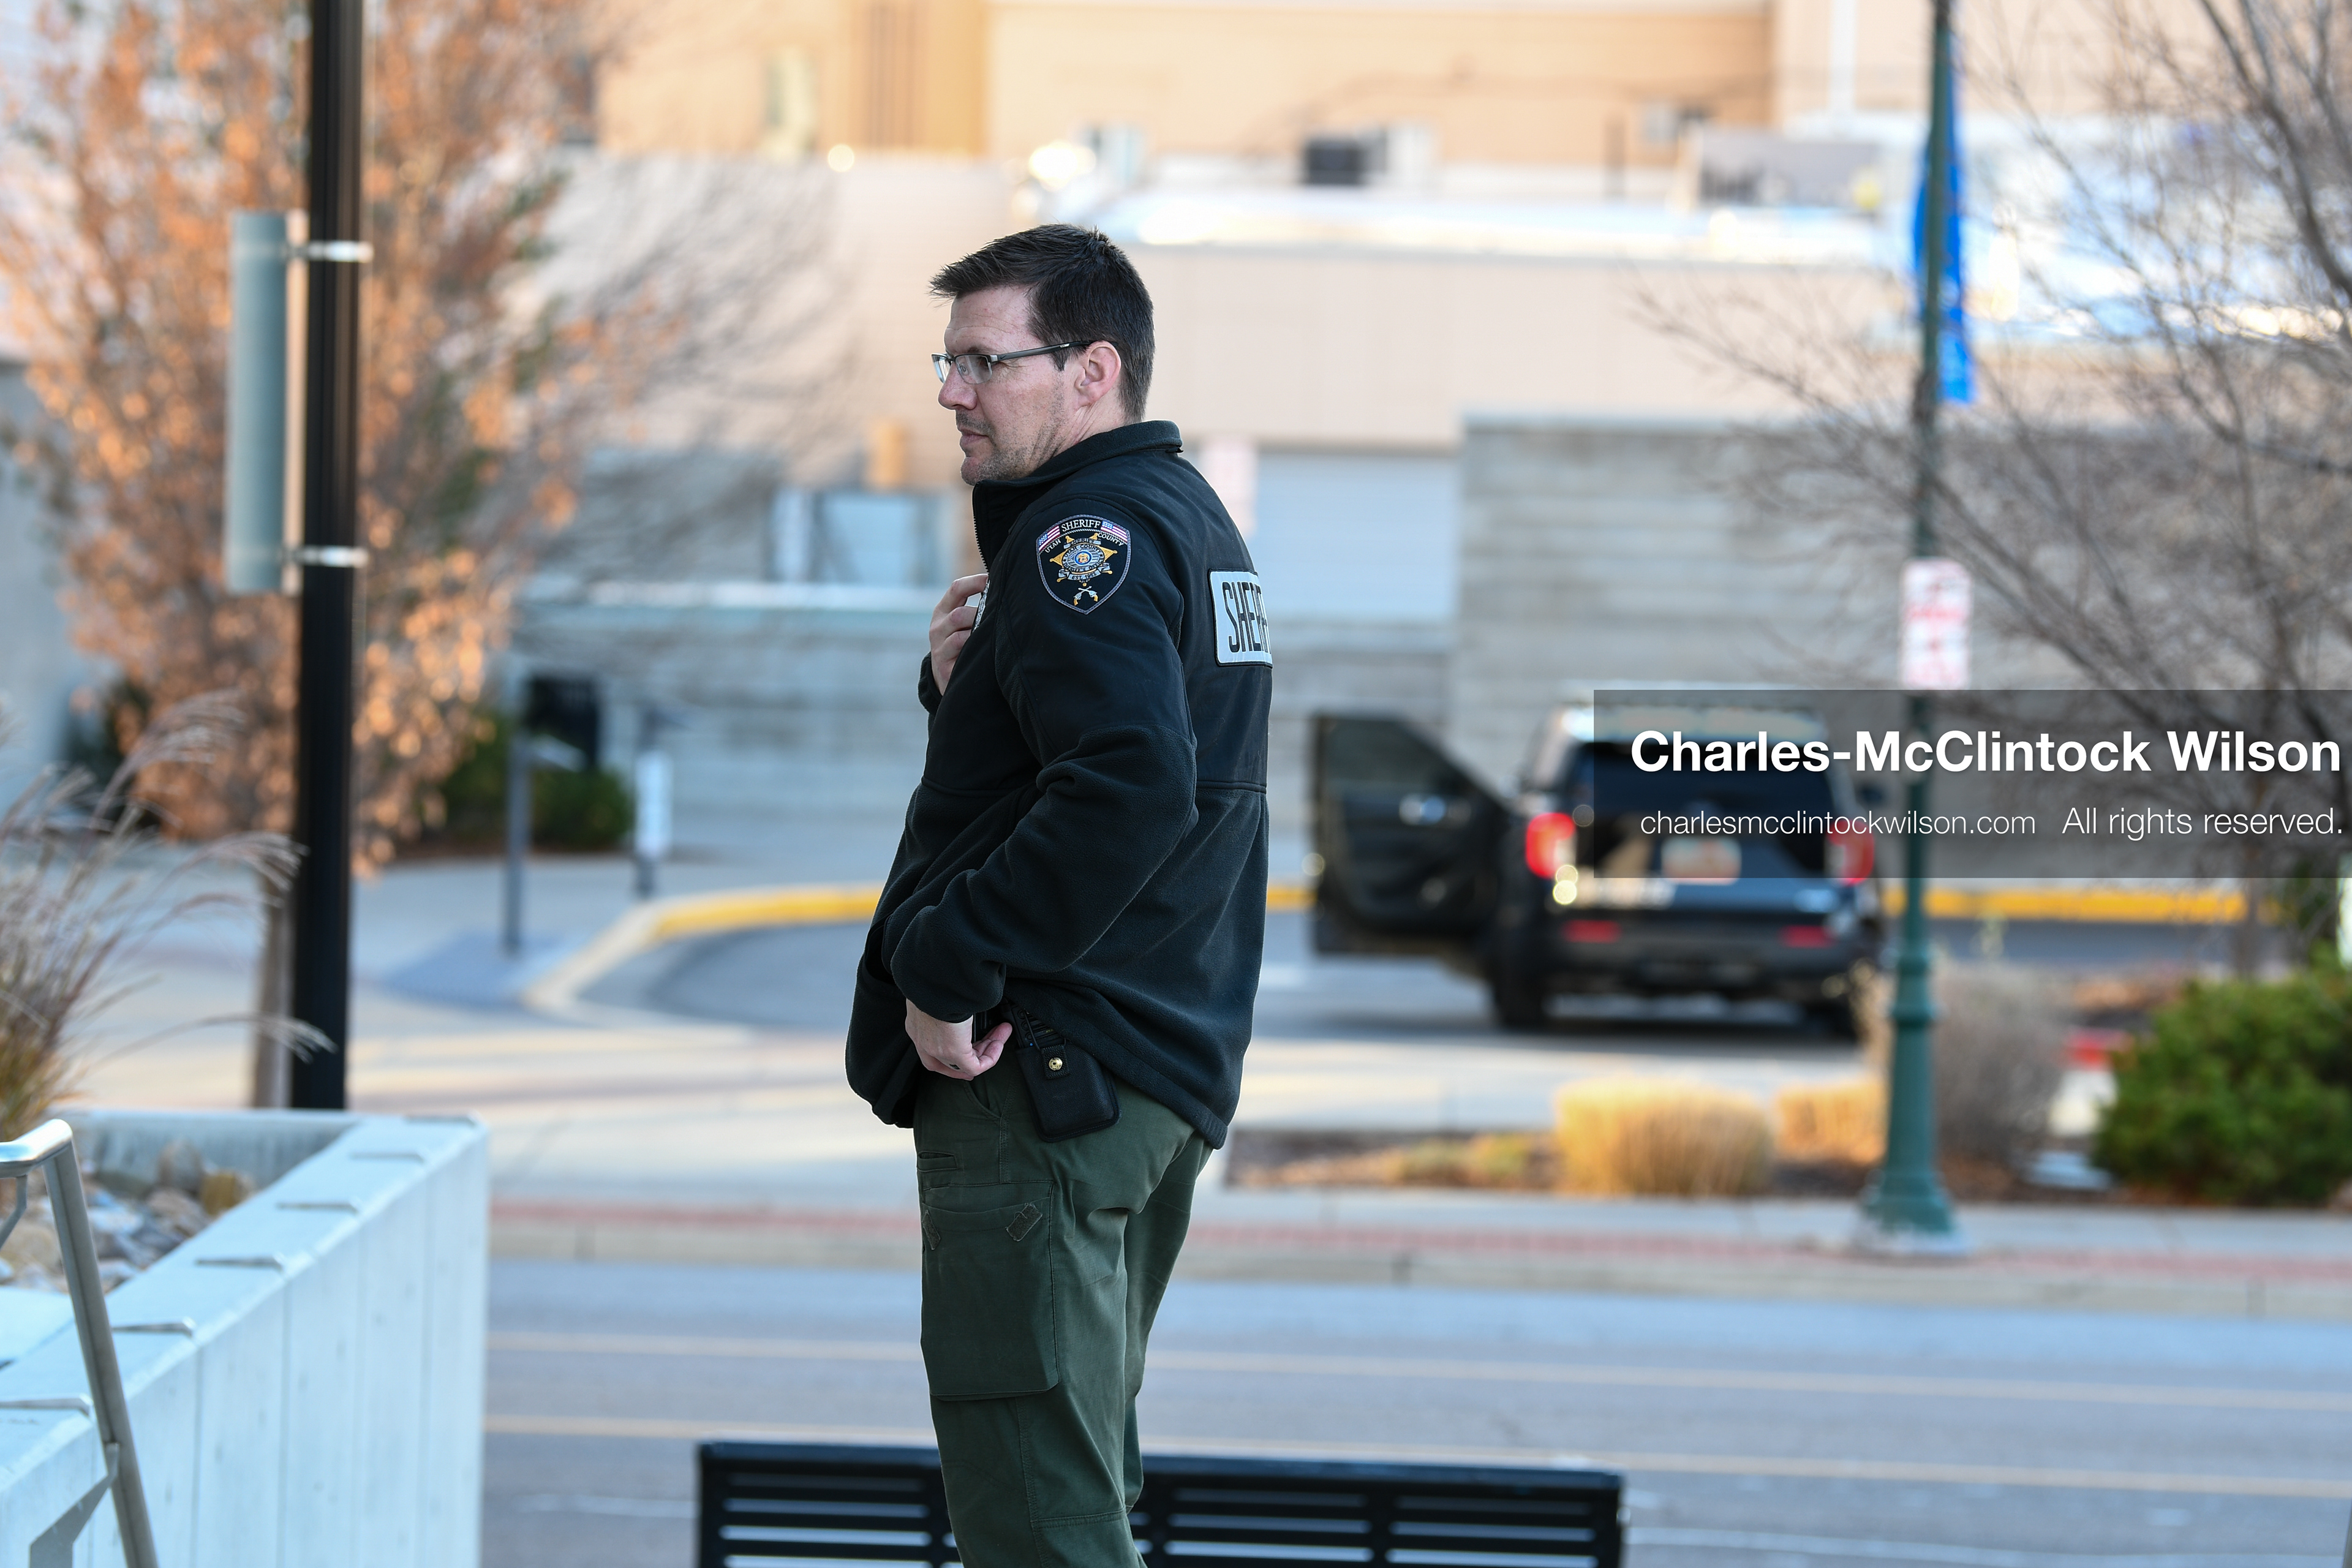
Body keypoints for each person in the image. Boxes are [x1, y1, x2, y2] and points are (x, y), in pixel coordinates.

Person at [845, 223, 1272, 1567]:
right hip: (1144, 1072)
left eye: (984, 361)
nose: (952, 391)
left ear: (1092, 370)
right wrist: (962, 692)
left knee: (1039, 1515)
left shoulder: (1079, 539)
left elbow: (1128, 790)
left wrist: (948, 969)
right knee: (1081, 1479)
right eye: (949, 360)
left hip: (1042, 1076)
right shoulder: (1193, 525)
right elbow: (1138, 772)